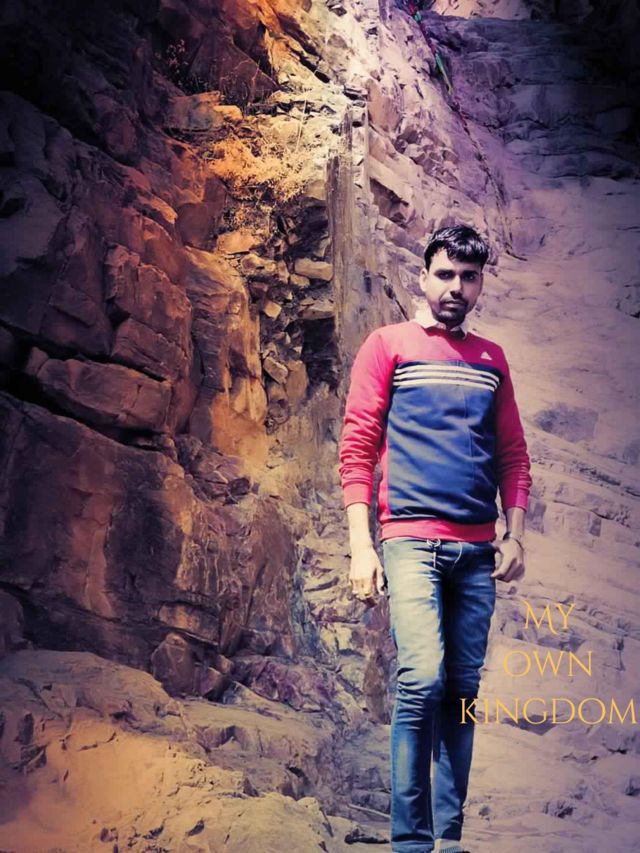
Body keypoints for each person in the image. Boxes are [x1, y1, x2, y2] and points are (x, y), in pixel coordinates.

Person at [338, 224, 532, 853]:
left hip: (477, 554)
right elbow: (357, 448)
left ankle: (449, 839)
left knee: (463, 693)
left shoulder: (491, 359)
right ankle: (411, 842)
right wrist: (361, 545)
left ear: (480, 286)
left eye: (468, 278)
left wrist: (515, 534)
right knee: (422, 678)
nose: (456, 287)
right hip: (410, 542)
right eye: (445, 274)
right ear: (422, 278)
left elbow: (514, 455)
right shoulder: (387, 345)